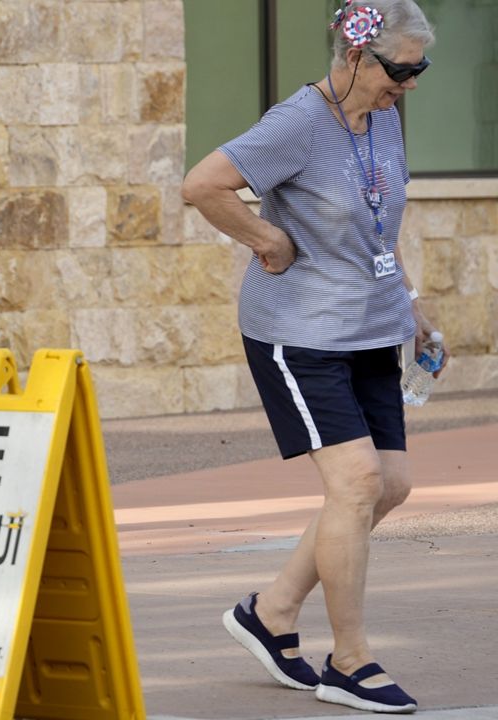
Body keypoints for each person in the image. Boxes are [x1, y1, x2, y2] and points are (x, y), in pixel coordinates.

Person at [182, 0, 441, 713]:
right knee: (356, 482)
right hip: (300, 333)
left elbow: (380, 221)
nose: (411, 83)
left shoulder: (383, 114)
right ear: (356, 56)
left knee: (387, 484)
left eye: (421, 70)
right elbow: (202, 185)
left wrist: (411, 305)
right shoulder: (296, 124)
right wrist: (266, 240)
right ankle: (350, 660)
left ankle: (269, 613)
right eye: (402, 69)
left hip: (369, 325)